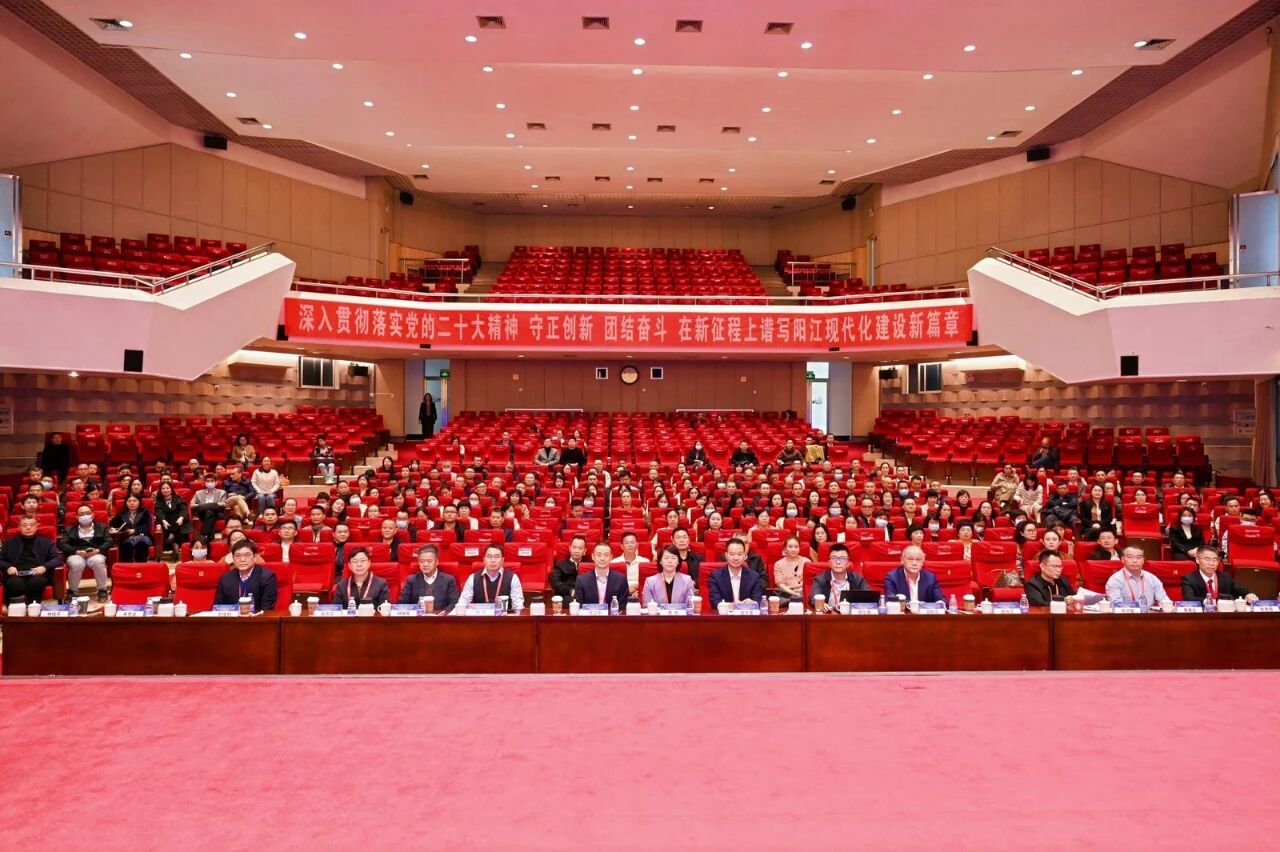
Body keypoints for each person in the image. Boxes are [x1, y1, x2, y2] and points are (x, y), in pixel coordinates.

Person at [1, 516, 63, 604]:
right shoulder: (9, 543)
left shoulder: (46, 542)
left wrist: (44, 567)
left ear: (36, 527)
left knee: (37, 582)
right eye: (24, 525)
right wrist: (8, 567)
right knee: (15, 583)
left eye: (31, 525)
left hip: (38, 573)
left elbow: (57, 558)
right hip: (16, 574)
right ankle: (18, 608)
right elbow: (1, 560)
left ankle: (33, 608)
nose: (28, 528)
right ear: (19, 527)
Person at [59, 504, 112, 602]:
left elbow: (109, 541)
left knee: (98, 561)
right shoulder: (69, 529)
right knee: (76, 564)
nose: (85, 516)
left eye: (87, 513)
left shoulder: (101, 527)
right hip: (76, 553)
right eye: (81, 514)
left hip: (95, 553)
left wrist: (98, 550)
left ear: (92, 515)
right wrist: (76, 552)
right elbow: (63, 544)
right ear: (77, 517)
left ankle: (102, 590)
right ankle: (72, 592)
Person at [454, 543, 524, 612]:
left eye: (497, 557)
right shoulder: (472, 578)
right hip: (480, 618)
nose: (493, 560)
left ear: (502, 560)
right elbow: (462, 604)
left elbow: (518, 606)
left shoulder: (512, 578)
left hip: (504, 618)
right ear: (484, 559)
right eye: (489, 556)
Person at [213, 539, 278, 612]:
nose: (242, 559)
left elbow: (267, 609)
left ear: (255, 557)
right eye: (238, 556)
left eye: (247, 555)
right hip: (231, 618)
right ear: (233, 558)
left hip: (257, 618)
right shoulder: (225, 578)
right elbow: (218, 608)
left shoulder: (267, 577)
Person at [1180, 546, 1257, 604]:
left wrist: (1249, 594)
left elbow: (1240, 590)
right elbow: (1188, 598)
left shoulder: (1225, 577)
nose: (1211, 563)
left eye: (1215, 560)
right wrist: (1210, 602)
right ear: (1197, 560)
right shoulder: (1189, 579)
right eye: (1207, 559)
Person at [808, 543, 869, 612]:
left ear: (848, 563)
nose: (838, 562)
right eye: (834, 558)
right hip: (828, 616)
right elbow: (813, 598)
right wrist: (820, 603)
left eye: (842, 558)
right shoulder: (820, 579)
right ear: (829, 563)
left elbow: (868, 597)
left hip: (851, 616)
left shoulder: (858, 579)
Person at [398, 544, 460, 611]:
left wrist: (441, 614)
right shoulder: (412, 580)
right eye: (422, 561)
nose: (425, 564)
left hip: (441, 616)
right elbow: (401, 604)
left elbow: (454, 604)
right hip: (418, 616)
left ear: (437, 562)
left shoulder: (449, 580)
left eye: (429, 561)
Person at [1104, 546, 1170, 607]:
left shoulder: (1152, 578)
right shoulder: (1115, 580)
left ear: (1143, 560)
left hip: (1149, 614)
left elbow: (1164, 600)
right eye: (1130, 557)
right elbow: (1116, 605)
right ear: (1122, 559)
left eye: (1138, 557)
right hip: (1126, 615)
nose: (1134, 561)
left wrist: (1167, 606)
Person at [708, 538, 764, 607]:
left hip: (746, 613)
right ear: (726, 555)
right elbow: (715, 603)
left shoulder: (754, 577)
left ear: (745, 556)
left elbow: (757, 601)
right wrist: (736, 605)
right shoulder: (716, 576)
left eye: (739, 554)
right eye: (732, 554)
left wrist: (753, 603)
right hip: (724, 613)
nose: (736, 558)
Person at [575, 542, 630, 606]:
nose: (602, 558)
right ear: (593, 557)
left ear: (611, 557)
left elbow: (623, 607)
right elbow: (580, 607)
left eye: (606, 555)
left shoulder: (621, 579)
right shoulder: (582, 580)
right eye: (599, 555)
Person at [109, 493, 152, 562]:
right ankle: (126, 566)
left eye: (134, 501)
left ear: (139, 502)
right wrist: (113, 528)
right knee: (127, 543)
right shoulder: (122, 512)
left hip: (142, 535)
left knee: (141, 542)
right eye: (129, 501)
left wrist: (135, 530)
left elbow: (147, 526)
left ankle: (141, 565)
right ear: (126, 503)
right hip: (126, 537)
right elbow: (113, 524)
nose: (132, 503)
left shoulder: (145, 512)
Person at [154, 480, 191, 555]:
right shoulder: (159, 501)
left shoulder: (177, 498)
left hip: (180, 521)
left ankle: (172, 536)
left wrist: (181, 517)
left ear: (171, 489)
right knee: (170, 516)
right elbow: (159, 512)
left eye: (167, 488)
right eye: (163, 488)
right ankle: (175, 541)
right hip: (167, 523)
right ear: (160, 490)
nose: (165, 490)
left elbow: (184, 509)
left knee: (177, 516)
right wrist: (163, 520)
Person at [610, 531, 650, 597]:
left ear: (637, 545)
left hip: (639, 594)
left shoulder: (645, 562)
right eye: (627, 543)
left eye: (632, 542)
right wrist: (629, 589)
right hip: (620, 595)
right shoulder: (614, 563)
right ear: (622, 546)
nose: (630, 545)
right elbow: (612, 584)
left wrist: (639, 590)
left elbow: (648, 582)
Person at [550, 534, 587, 600]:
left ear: (585, 550)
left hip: (585, 595)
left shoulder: (589, 564)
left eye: (580, 548)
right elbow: (555, 582)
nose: (577, 551)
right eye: (574, 547)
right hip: (567, 595)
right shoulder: (560, 564)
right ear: (569, 548)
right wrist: (571, 591)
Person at [190, 474, 228, 539]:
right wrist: (210, 505)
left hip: (217, 513)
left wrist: (208, 505)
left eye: (212, 481)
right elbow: (192, 504)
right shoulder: (198, 493)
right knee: (210, 511)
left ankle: (205, 535)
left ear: (216, 482)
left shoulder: (222, 492)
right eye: (207, 481)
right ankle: (209, 536)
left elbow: (224, 504)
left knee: (209, 512)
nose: (210, 483)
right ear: (205, 483)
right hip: (202, 513)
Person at [772, 535, 809, 600]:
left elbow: (809, 582)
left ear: (799, 548)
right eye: (790, 547)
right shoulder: (778, 564)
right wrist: (795, 594)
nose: (793, 549)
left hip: (804, 593)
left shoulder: (806, 562)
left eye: (796, 547)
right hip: (786, 594)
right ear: (785, 549)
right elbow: (780, 584)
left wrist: (802, 594)